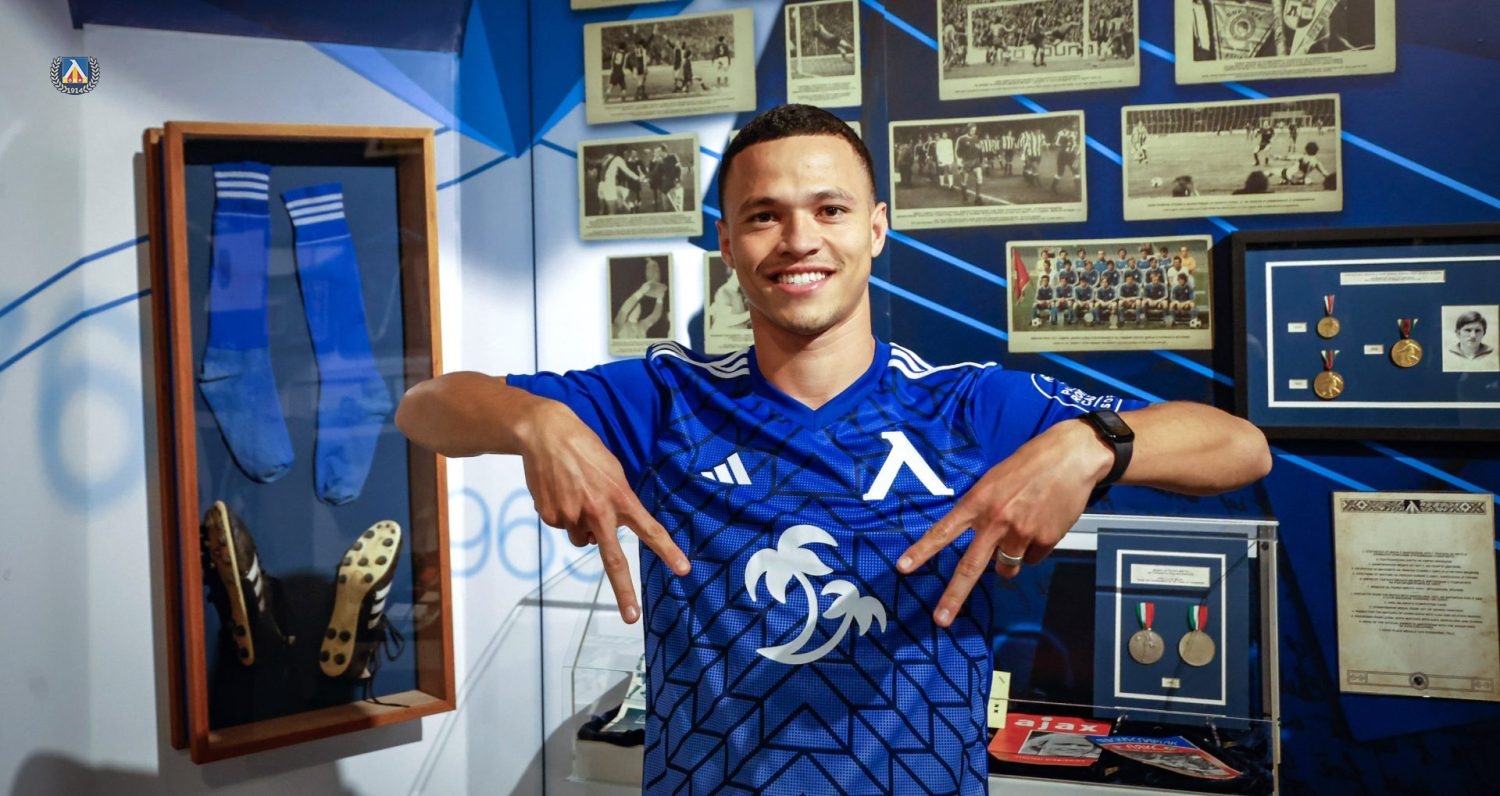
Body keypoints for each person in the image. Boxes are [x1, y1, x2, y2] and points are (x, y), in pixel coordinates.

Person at [394, 104, 1270, 795]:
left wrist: (1091, 444)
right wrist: (534, 422)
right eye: (763, 216)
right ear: (727, 243)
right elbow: (424, 409)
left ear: (876, 229)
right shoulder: (664, 397)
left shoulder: (966, 404)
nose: (799, 239)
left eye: (830, 210)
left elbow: (1239, 447)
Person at [611, 258, 667, 340]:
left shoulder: (641, 326)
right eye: (635, 305)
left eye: (638, 305)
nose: (638, 306)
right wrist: (641, 291)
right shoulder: (618, 326)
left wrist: (659, 299)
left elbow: (655, 316)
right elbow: (625, 308)